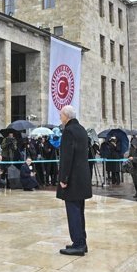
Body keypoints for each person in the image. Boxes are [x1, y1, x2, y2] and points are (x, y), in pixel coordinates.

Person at [57, 105, 92, 256]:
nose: (60, 118)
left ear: (67, 116)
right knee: (79, 211)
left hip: (72, 179)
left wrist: (64, 178)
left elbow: (67, 157)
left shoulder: (69, 131)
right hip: (82, 178)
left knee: (73, 212)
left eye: (61, 115)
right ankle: (81, 242)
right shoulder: (82, 130)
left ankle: (78, 244)